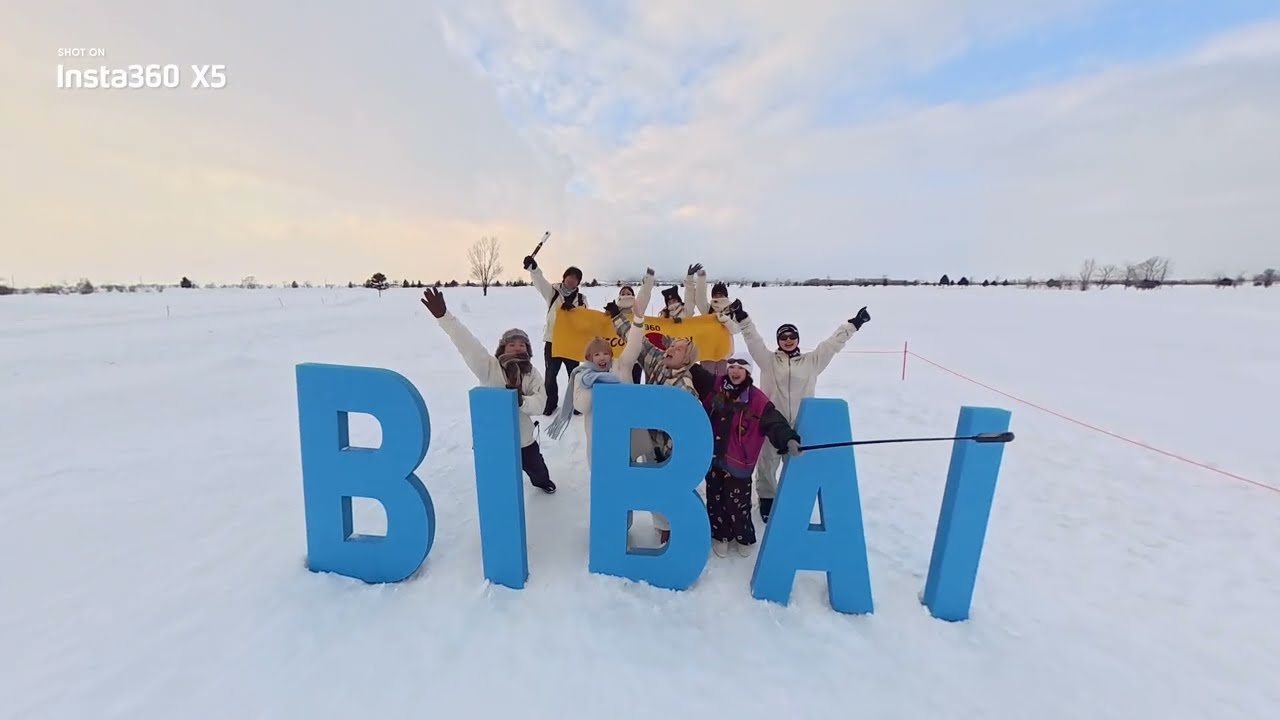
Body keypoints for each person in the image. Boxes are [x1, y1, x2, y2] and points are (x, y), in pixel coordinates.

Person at [720, 299, 870, 521]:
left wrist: (854, 324)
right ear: (779, 341)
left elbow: (831, 345)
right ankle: (767, 499)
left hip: (802, 423)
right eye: (783, 337)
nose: (788, 340)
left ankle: (797, 499)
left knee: (799, 464)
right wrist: (742, 317)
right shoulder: (769, 361)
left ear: (797, 339)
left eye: (792, 337)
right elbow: (753, 339)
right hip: (772, 422)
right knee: (768, 464)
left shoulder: (812, 361)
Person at [421, 287, 556, 494]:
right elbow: (467, 343)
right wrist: (444, 317)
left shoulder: (532, 374)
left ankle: (542, 482)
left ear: (528, 350)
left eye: (522, 345)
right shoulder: (488, 367)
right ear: (502, 349)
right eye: (511, 344)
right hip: (495, 439)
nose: (518, 348)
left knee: (536, 468)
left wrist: (520, 400)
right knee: (498, 479)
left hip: (524, 439)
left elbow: (541, 403)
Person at [605, 302, 718, 545]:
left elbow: (688, 428)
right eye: (671, 346)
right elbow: (640, 342)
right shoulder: (658, 361)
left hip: (669, 450)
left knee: (667, 488)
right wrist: (617, 316)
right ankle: (657, 523)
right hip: (646, 437)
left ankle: (674, 525)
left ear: (686, 360)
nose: (669, 350)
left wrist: (671, 451)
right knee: (645, 482)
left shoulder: (685, 388)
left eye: (677, 350)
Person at [701, 356, 801, 557]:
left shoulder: (756, 399)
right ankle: (720, 535)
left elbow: (775, 423)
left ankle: (742, 536)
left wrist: (788, 439)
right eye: (732, 367)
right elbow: (694, 371)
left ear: (748, 372)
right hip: (713, 458)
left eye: (741, 368)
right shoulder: (716, 388)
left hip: (739, 463)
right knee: (715, 499)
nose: (735, 371)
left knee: (738, 503)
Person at [522, 254, 587, 416]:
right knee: (550, 376)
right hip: (553, 342)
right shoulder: (553, 293)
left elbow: (585, 320)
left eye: (575, 279)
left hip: (572, 344)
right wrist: (534, 268)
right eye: (569, 277)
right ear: (564, 278)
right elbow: (540, 282)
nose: (571, 280)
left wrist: (574, 312)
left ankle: (577, 404)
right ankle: (550, 403)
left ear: (578, 282)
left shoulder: (581, 299)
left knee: (574, 376)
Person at [544, 337, 620, 457]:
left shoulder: (617, 372)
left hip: (618, 424)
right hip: (595, 427)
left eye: (606, 353)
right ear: (589, 358)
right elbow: (581, 407)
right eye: (597, 354)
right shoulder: (583, 376)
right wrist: (596, 387)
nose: (602, 357)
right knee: (598, 458)